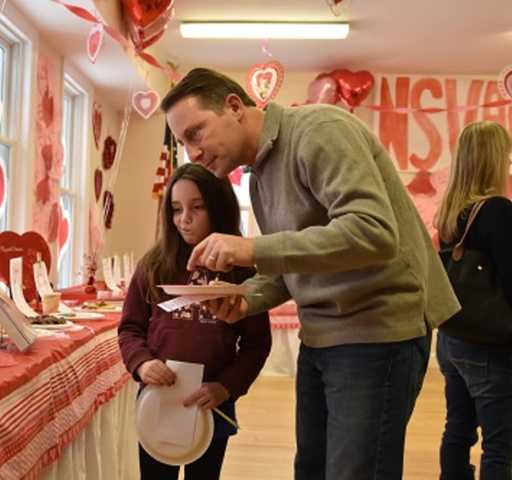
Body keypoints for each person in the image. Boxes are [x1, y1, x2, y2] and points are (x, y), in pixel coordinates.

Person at [161, 68, 460, 480]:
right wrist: (247, 298)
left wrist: (252, 247)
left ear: (233, 107)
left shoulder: (320, 129)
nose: (192, 152)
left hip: (377, 333)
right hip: (322, 337)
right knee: (313, 470)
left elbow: (372, 232)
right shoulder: (261, 173)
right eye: (182, 143)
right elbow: (296, 263)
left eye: (196, 133)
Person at [118, 163, 271, 480]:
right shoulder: (153, 266)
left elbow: (257, 344)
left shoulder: (241, 271)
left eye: (196, 208)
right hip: (157, 402)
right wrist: (143, 364)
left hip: (210, 407)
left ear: (218, 207)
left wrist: (225, 387)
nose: (183, 219)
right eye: (175, 209)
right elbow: (130, 329)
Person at [433, 121, 512, 480]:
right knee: (501, 444)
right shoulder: (497, 210)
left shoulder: (451, 210)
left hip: (453, 338)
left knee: (458, 429)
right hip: (491, 344)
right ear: (494, 159)